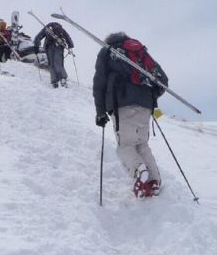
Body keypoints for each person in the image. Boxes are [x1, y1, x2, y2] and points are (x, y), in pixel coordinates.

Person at [92, 31, 168, 198]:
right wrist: (150, 98)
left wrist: (100, 112)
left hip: (122, 104)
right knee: (141, 144)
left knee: (125, 146)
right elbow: (163, 81)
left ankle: (140, 172)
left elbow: (99, 82)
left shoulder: (107, 51)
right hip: (146, 105)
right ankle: (154, 182)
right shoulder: (141, 52)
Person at [32, 21, 74, 88]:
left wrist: (36, 46)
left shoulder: (47, 28)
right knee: (58, 63)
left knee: (51, 64)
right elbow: (67, 37)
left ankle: (54, 81)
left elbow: (39, 36)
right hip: (59, 47)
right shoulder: (61, 29)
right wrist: (70, 46)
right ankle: (63, 79)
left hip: (49, 47)